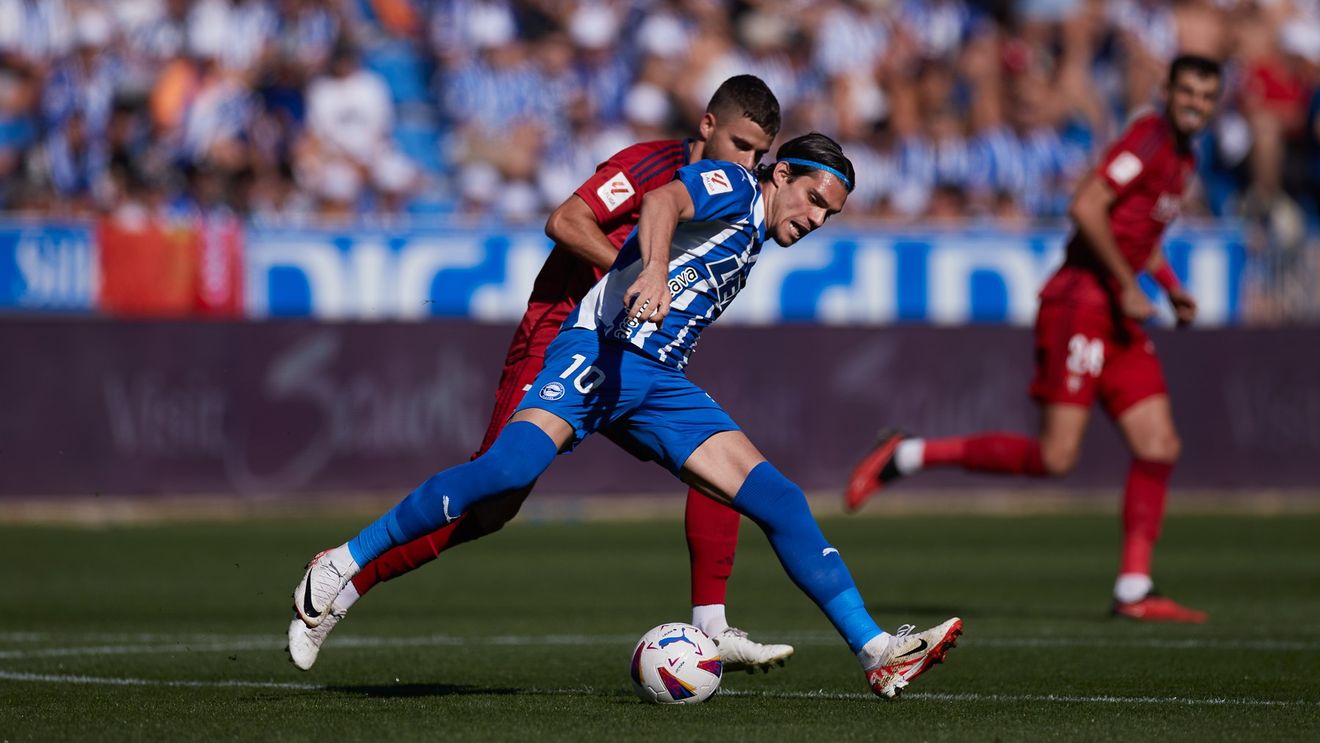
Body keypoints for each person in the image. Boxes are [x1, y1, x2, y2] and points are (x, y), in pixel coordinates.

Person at [292, 133, 963, 699]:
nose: (816, 219)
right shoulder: (734, 186)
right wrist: (653, 268)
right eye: (814, 200)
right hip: (601, 352)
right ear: (780, 173)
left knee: (780, 500)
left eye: (830, 215)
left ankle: (876, 650)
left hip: (656, 384)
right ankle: (343, 560)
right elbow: (665, 198)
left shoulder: (757, 233)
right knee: (506, 469)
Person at [289, 76, 794, 672]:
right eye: (740, 144)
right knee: (493, 501)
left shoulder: (729, 197)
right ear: (707, 125)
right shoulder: (649, 165)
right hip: (560, 333)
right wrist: (637, 274)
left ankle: (710, 627)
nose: (748, 163)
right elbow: (566, 220)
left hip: (629, 347)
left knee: (713, 457)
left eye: (759, 155)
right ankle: (339, 582)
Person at [843, 55, 1223, 624]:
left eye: (1206, 95)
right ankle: (909, 453)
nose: (1195, 102)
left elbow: (1139, 232)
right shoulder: (1147, 138)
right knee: (1056, 457)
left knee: (1158, 445)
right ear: (1166, 91)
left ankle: (1134, 589)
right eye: (1187, 90)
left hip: (1117, 312)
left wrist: (1167, 287)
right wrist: (1126, 285)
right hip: (1081, 304)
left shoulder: (1184, 155)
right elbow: (1086, 206)